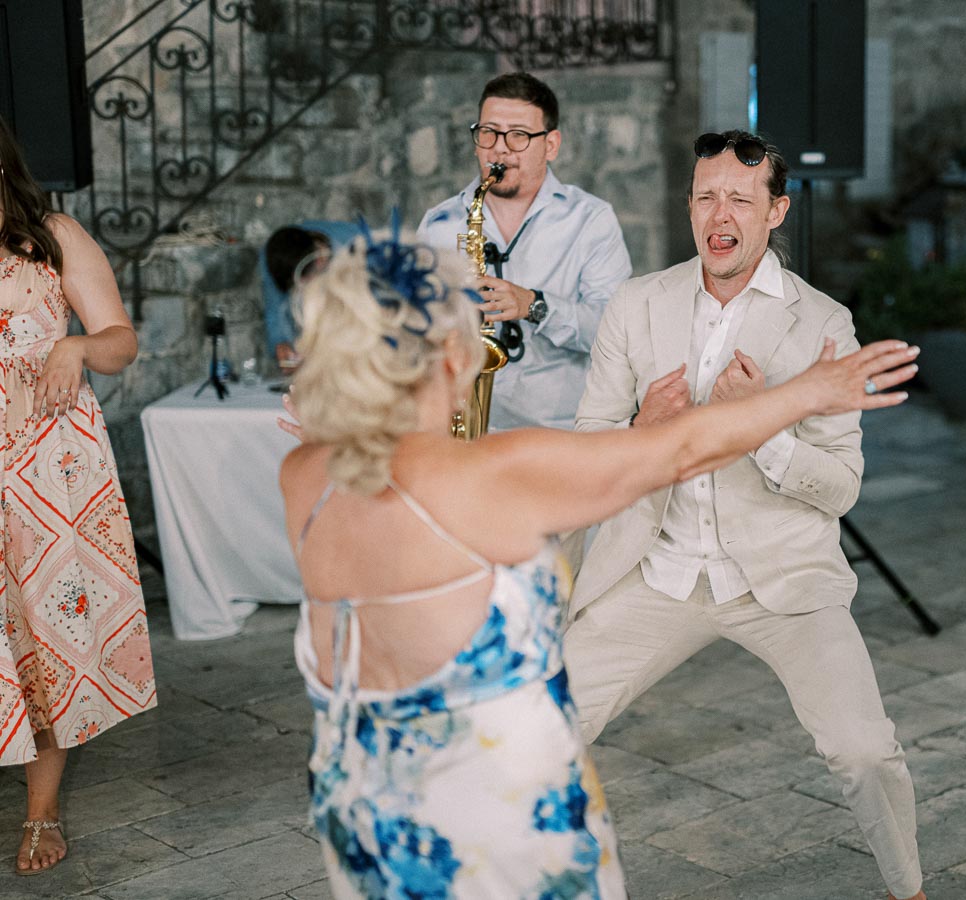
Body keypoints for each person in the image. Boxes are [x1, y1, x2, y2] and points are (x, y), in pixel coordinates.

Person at [277, 224, 916, 897]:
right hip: (498, 835)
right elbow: (680, 451)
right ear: (443, 357)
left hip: (368, 822)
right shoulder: (491, 476)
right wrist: (811, 391)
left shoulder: (304, 476)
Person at [563, 129, 927, 900]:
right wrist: (641, 433)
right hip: (654, 572)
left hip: (782, 580)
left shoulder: (824, 323)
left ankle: (911, 891)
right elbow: (587, 445)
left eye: (739, 196)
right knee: (537, 732)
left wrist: (758, 428)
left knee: (865, 753)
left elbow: (841, 487)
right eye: (704, 195)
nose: (717, 211)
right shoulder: (638, 304)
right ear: (689, 208)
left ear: (775, 211)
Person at [0, 116, 155, 874]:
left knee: (42, 637)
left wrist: (76, 344)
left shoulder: (54, 234)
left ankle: (40, 811)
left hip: (47, 471)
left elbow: (120, 341)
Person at [417, 71, 632, 431]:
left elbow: (616, 335)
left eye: (518, 135)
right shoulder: (439, 223)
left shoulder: (591, 220)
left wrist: (534, 306)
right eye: (488, 133)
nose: (499, 149)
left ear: (551, 145)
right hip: (460, 432)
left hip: (559, 434)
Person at [261, 221, 359, 369]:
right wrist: (281, 344)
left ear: (320, 261)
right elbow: (275, 308)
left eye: (303, 283)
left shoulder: (357, 245)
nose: (300, 293)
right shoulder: (272, 256)